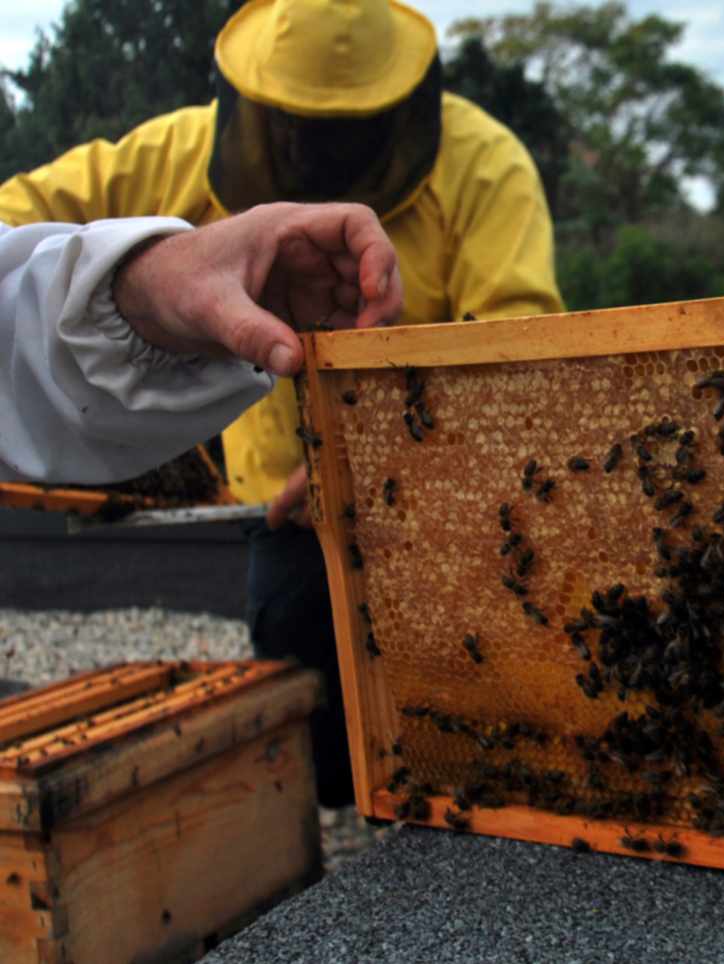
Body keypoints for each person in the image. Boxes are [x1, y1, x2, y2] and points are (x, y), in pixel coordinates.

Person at [0, 0, 565, 807]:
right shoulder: (170, 154)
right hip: (279, 517)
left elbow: (524, 351)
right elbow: (10, 232)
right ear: (254, 101)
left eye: (343, 131)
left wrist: (388, 460)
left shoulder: (485, 164)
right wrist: (143, 267)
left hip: (451, 518)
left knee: (466, 734)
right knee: (308, 724)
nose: (315, 152)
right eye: (294, 128)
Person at [1, 202, 401, 483]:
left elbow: (18, 333)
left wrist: (141, 289)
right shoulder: (167, 149)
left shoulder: (461, 168)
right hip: (266, 483)